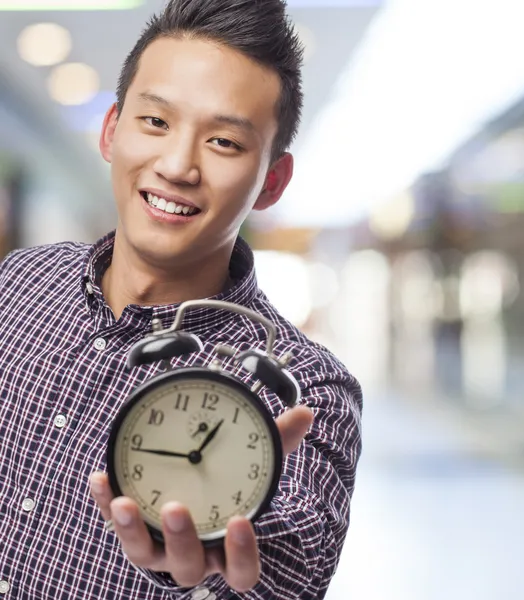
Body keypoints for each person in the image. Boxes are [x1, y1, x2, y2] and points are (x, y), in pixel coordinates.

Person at [0, 0, 362, 598]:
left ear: (271, 181)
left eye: (223, 141)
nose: (176, 165)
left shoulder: (304, 388)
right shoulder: (20, 282)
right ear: (112, 131)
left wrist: (222, 531)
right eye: (156, 122)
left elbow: (293, 553)